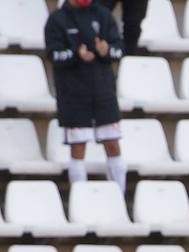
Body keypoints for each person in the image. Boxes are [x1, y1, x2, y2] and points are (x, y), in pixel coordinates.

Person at [45, 0, 127, 191]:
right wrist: (76, 55)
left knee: (113, 144)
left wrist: (106, 51)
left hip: (103, 93)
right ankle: (79, 199)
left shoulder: (104, 15)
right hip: (73, 95)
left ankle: (119, 197)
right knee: (78, 147)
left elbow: (119, 49)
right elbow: (53, 55)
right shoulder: (57, 19)